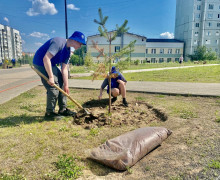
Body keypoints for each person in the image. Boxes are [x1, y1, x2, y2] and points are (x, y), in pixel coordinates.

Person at [33, 31, 86, 120]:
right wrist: (51, 77)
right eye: (80, 44)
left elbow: (64, 70)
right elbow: (46, 58)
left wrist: (66, 85)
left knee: (61, 83)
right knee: (53, 87)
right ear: (75, 40)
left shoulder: (68, 52)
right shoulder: (58, 42)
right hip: (40, 63)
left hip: (51, 64)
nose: (80, 46)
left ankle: (63, 109)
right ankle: (49, 113)